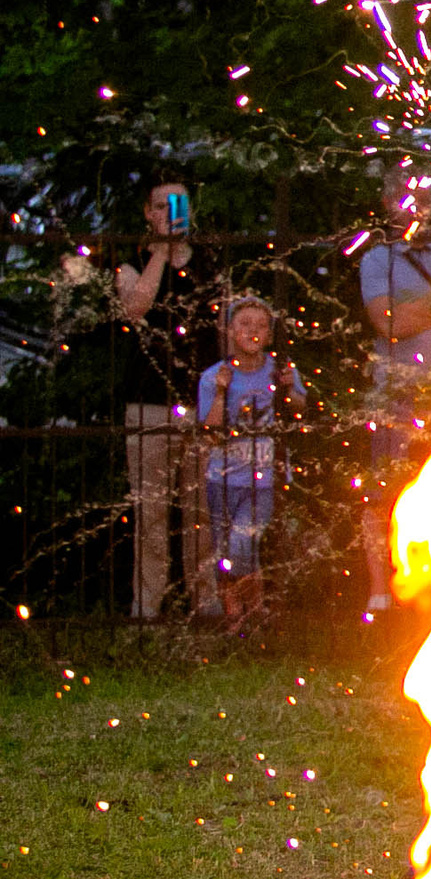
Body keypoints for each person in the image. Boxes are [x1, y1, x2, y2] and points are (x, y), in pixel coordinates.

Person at [356, 170, 431, 615]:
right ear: (389, 204)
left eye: (424, 196)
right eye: (407, 197)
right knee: (387, 490)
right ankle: (382, 591)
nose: (416, 205)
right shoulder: (376, 260)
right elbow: (387, 322)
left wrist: (414, 311)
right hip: (396, 395)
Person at [114, 179, 221, 618]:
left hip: (199, 405)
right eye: (162, 205)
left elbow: (223, 330)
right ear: (147, 212)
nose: (170, 213)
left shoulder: (210, 264)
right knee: (151, 514)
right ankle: (149, 607)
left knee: (202, 513)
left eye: (178, 204)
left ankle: (207, 602)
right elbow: (135, 308)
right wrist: (161, 250)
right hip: (149, 404)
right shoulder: (131, 262)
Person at [196, 296, 302, 626]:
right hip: (223, 478)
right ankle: (238, 619)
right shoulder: (213, 375)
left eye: (260, 326)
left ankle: (254, 613)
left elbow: (301, 410)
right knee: (227, 552)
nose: (252, 331)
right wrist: (220, 391)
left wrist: (289, 390)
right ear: (231, 331)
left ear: (269, 335)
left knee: (243, 542)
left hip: (263, 479)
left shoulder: (281, 370)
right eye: (244, 324)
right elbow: (210, 430)